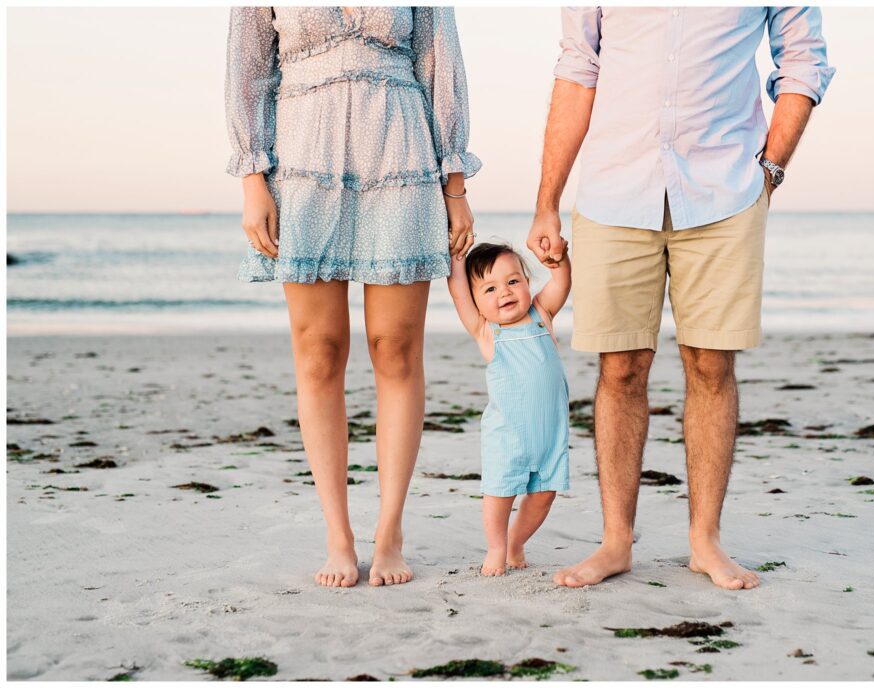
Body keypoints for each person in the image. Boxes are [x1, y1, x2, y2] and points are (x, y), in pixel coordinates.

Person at [528, 7, 834, 590]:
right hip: (615, 189)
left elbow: (803, 61)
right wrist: (547, 199)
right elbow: (577, 69)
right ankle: (616, 542)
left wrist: (771, 168)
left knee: (711, 363)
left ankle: (705, 542)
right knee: (620, 368)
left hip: (724, 187)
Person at [224, 6, 480, 588]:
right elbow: (248, 73)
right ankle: (338, 535)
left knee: (395, 349)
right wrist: (252, 181)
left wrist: (456, 185)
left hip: (401, 153)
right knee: (319, 351)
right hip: (302, 162)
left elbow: (440, 65)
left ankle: (390, 532)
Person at [446, 241, 572, 576]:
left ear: (527, 282)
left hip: (550, 433)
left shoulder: (541, 314)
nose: (505, 292)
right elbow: (458, 290)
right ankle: (497, 547)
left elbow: (561, 283)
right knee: (499, 493)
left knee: (545, 493)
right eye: (490, 288)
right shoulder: (487, 331)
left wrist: (560, 261)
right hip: (506, 435)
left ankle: (516, 543)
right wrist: (456, 258)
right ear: (476, 303)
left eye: (513, 281)